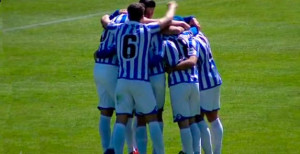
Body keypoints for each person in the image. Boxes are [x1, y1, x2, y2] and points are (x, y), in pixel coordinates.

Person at [101, 1, 178, 154]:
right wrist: (172, 7)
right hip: (141, 82)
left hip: (122, 81)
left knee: (121, 119)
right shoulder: (147, 29)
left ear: (128, 15)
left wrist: (109, 15)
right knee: (152, 118)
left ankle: (115, 151)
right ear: (142, 16)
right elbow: (166, 20)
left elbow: (105, 21)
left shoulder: (119, 28)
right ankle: (160, 152)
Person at [93, 9, 128, 153]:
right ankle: (114, 148)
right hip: (112, 69)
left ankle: (105, 148)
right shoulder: (127, 24)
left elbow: (104, 19)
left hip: (98, 68)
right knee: (125, 110)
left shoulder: (112, 21)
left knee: (106, 110)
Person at [163, 31, 201, 154]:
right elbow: (192, 61)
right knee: (193, 120)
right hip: (194, 83)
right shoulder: (188, 39)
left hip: (178, 85)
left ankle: (188, 152)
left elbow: (166, 64)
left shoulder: (165, 42)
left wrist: (171, 68)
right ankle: (196, 152)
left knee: (183, 123)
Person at [193, 30, 223, 154]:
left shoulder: (191, 41)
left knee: (197, 118)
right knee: (213, 118)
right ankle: (217, 152)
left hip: (203, 84)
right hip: (214, 79)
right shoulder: (201, 36)